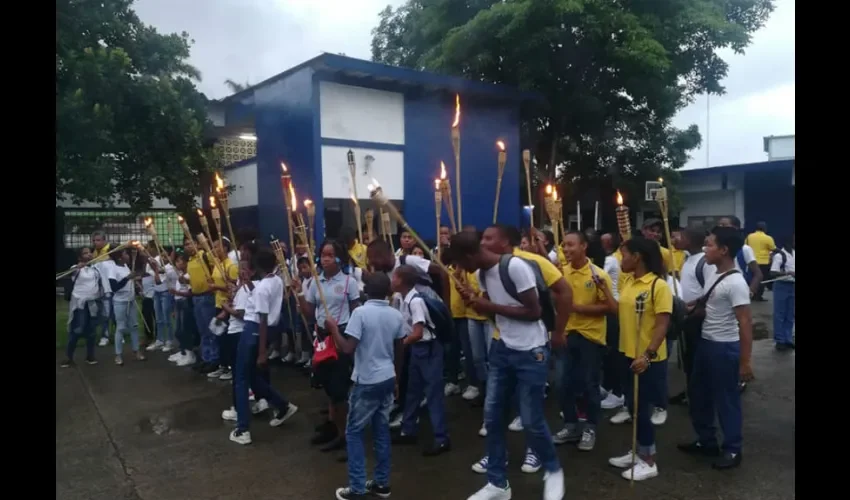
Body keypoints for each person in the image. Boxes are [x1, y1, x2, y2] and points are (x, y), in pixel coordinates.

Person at [452, 230, 565, 500]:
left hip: (532, 350)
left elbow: (533, 312)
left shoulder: (514, 267)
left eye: (460, 262)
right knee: (492, 418)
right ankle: (497, 483)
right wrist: (476, 302)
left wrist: (487, 304)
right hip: (502, 348)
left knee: (531, 419)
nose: (460, 269)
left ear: (470, 255)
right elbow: (492, 312)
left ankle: (553, 470)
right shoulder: (480, 275)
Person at [678, 225, 753, 470]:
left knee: (726, 400)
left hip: (725, 348)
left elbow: (745, 323)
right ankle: (706, 440)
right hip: (706, 343)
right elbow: (706, 305)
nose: (705, 248)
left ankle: (732, 449)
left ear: (724, 250)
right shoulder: (712, 272)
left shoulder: (737, 283)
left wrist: (745, 362)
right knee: (698, 394)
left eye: (709, 244)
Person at [326, 272, 405, 500]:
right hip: (387, 377)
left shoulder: (360, 313)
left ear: (366, 291)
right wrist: (397, 378)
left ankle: (358, 487)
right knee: (381, 430)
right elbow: (400, 349)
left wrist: (333, 329)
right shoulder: (395, 314)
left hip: (367, 380)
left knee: (354, 432)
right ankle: (381, 483)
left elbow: (347, 348)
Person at [605, 237, 671, 482]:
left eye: (624, 254)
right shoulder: (630, 282)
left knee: (643, 409)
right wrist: (603, 290)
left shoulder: (658, 286)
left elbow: (662, 324)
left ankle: (649, 460)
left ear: (638, 256)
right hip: (626, 353)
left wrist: (648, 355)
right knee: (633, 407)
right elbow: (619, 310)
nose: (621, 259)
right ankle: (639, 450)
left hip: (647, 358)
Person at [293, 240, 361, 457]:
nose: (325, 258)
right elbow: (310, 313)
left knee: (340, 390)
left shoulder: (349, 282)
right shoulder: (315, 282)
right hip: (322, 338)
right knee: (329, 389)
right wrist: (299, 294)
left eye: (330, 255)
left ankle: (347, 438)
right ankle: (335, 430)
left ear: (339, 258)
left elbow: (356, 312)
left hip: (340, 336)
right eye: (323, 254)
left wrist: (347, 336)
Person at [552, 231, 615, 452]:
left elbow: (610, 307)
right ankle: (571, 425)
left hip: (590, 337)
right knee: (562, 383)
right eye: (564, 245)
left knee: (589, 385)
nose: (566, 249)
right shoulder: (560, 274)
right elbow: (554, 302)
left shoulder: (597, 275)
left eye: (571, 245)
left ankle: (590, 427)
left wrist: (578, 308)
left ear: (584, 246)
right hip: (566, 334)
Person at [229, 248, 299, 445]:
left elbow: (262, 317)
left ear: (257, 267)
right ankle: (282, 405)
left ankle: (243, 428)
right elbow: (263, 300)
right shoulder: (274, 281)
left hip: (255, 330)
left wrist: (262, 353)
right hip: (265, 330)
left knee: (241, 378)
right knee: (250, 376)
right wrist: (248, 283)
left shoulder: (263, 287)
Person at [391, 265, 452, 457]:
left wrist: (403, 343)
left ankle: (442, 438)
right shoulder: (401, 299)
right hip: (418, 350)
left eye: (395, 277)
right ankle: (408, 429)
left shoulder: (415, 302)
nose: (391, 280)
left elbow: (417, 333)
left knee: (433, 393)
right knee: (413, 390)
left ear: (402, 281)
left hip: (428, 349)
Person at [669, 227, 716, 406]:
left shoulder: (704, 263)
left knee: (697, 358)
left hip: (697, 318)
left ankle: (700, 395)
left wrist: (693, 308)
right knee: (687, 358)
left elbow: (709, 292)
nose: (674, 239)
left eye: (680, 236)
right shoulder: (688, 258)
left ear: (691, 240)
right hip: (686, 316)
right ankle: (690, 391)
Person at [184, 237, 219, 374]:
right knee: (203, 330)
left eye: (190, 243)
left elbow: (216, 264)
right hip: (196, 297)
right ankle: (206, 358)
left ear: (197, 244)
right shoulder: (190, 261)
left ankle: (214, 359)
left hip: (207, 297)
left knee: (210, 330)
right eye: (185, 245)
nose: (188, 247)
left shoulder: (204, 255)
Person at [61, 247, 101, 367]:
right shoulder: (76, 268)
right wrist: (78, 267)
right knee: (76, 330)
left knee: (91, 332)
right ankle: (69, 357)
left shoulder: (94, 269)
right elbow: (70, 273)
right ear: (80, 257)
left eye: (89, 252)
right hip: (80, 305)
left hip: (92, 303)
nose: (88, 254)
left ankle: (90, 356)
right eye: (85, 253)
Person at [206, 239, 239, 380]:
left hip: (227, 306)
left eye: (217, 246)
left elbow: (233, 288)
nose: (214, 250)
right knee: (219, 337)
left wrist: (217, 287)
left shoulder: (230, 266)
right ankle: (223, 365)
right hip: (218, 304)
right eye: (213, 247)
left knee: (226, 339)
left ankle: (231, 367)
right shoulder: (217, 264)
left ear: (225, 248)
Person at [600, 232, 624, 410]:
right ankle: (609, 387)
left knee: (613, 351)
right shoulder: (612, 259)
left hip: (612, 308)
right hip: (612, 307)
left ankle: (618, 392)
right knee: (609, 351)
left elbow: (597, 277)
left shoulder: (610, 261)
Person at [109, 248, 145, 366]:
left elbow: (130, 282)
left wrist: (137, 287)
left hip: (131, 300)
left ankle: (136, 351)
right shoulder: (113, 269)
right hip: (120, 302)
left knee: (134, 326)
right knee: (121, 328)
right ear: (120, 257)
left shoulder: (126, 266)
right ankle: (118, 355)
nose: (128, 255)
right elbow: (114, 287)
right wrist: (127, 278)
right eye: (125, 254)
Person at [717, 216, 763, 299]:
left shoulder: (744, 249)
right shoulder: (715, 249)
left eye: (724, 225)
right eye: (719, 225)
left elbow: (758, 274)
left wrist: (750, 292)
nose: (720, 228)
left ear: (735, 228)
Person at [167, 253, 197, 367]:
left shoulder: (188, 276)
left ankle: (190, 353)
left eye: (181, 261)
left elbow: (190, 292)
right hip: (178, 302)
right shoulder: (179, 274)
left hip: (185, 302)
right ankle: (183, 351)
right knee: (178, 330)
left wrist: (177, 292)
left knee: (185, 329)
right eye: (177, 262)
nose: (178, 264)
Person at [770, 234, 795, 350]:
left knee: (790, 314)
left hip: (793, 285)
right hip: (782, 285)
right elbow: (773, 272)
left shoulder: (794, 254)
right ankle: (780, 340)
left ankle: (788, 339)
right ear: (788, 241)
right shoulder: (780, 256)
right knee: (779, 314)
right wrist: (787, 273)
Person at [148, 245, 175, 353]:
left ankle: (169, 341)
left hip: (166, 293)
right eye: (162, 256)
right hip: (157, 293)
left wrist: (155, 269)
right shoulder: (158, 264)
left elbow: (159, 278)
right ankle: (159, 340)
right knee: (158, 319)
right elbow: (150, 267)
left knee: (166, 318)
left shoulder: (170, 267)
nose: (163, 258)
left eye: (165, 256)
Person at [92, 230, 115, 347]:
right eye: (94, 240)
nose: (96, 242)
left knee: (110, 313)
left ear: (104, 240)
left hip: (109, 288)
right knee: (101, 313)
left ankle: (107, 336)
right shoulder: (95, 253)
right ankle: (105, 335)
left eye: (98, 240)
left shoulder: (111, 250)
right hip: (98, 289)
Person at [745, 222, 776, 301]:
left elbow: (745, 246)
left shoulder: (749, 236)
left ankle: (751, 294)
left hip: (751, 261)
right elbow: (773, 248)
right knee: (763, 280)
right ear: (764, 228)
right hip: (764, 262)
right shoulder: (768, 238)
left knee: (752, 279)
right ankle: (758, 296)